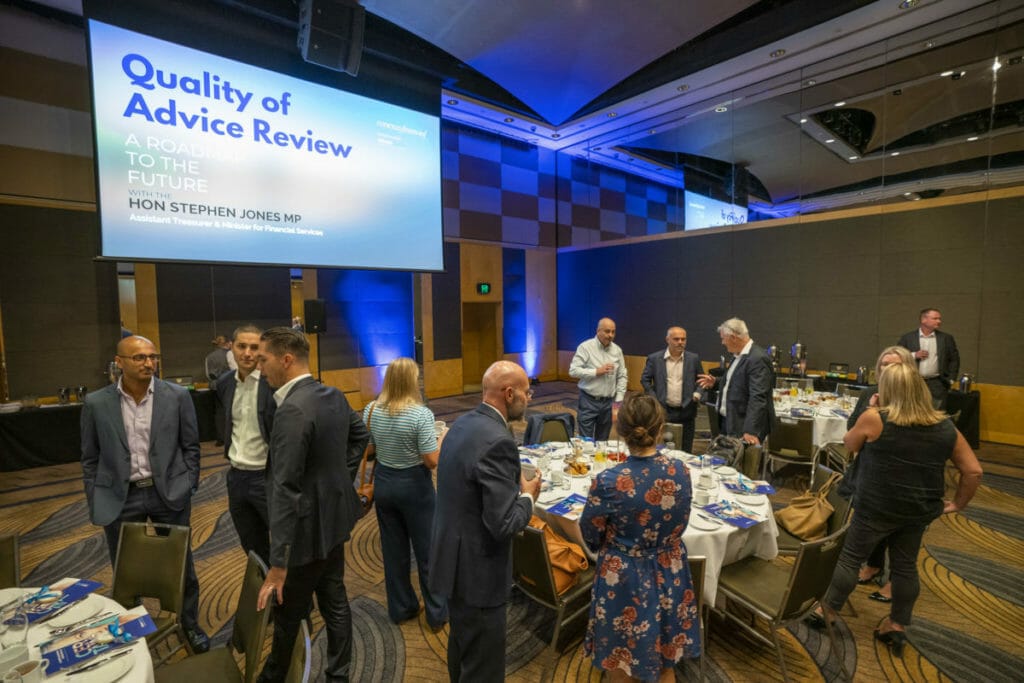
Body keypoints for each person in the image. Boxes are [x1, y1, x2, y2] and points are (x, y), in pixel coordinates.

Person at [809, 363, 982, 656]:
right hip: (917, 510)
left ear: (887, 390)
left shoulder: (875, 418)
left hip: (876, 505)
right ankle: (897, 624)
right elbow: (973, 471)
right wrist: (958, 504)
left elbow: (850, 444)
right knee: (905, 566)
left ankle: (828, 610)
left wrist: (871, 409)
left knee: (850, 558)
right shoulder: (945, 427)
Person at [80, 335, 209, 653]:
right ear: (119, 362)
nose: (149, 363)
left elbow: (191, 445)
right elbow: (90, 457)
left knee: (180, 563)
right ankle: (132, 629)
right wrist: (95, 494)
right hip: (120, 496)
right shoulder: (96, 403)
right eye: (139, 357)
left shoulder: (176, 396)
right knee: (127, 570)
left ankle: (189, 624)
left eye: (153, 357)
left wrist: (189, 483)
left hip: (169, 492)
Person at [255, 328, 369, 683]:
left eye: (263, 359)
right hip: (333, 521)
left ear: (286, 360)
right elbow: (360, 435)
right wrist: (338, 480)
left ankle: (273, 677)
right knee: (334, 599)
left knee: (288, 614)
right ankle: (339, 674)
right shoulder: (332, 394)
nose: (259, 367)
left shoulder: (292, 409)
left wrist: (278, 564)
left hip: (303, 533)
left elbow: (285, 487)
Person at [428, 361, 541, 682]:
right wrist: (528, 496)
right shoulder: (499, 441)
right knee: (483, 667)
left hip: (452, 562)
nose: (529, 399)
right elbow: (504, 524)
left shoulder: (461, 424)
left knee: (462, 648)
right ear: (509, 393)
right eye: (526, 392)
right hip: (479, 574)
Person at [579, 394, 700, 682]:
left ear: (620, 431)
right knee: (666, 660)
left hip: (624, 578)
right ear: (660, 429)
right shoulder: (681, 471)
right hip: (670, 570)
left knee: (620, 661)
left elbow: (590, 535)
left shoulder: (608, 481)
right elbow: (682, 520)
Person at [363, 357, 447, 631]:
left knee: (393, 552)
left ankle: (401, 607)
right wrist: (442, 438)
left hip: (385, 485)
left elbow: (370, 450)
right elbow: (431, 461)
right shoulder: (421, 415)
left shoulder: (371, 410)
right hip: (415, 488)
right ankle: (436, 613)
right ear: (412, 381)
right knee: (428, 552)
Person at [842, 346, 915, 603]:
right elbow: (852, 428)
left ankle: (895, 581)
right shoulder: (870, 393)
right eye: (884, 364)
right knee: (870, 524)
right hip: (870, 473)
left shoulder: (916, 397)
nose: (887, 370)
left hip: (903, 477)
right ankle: (873, 566)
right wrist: (870, 412)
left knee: (901, 534)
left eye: (894, 365)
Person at [214, 325, 275, 564]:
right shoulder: (225, 383)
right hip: (236, 478)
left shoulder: (273, 383)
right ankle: (264, 585)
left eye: (254, 347)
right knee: (252, 545)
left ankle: (290, 588)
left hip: (267, 477)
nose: (247, 353)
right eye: (241, 346)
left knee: (286, 542)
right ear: (231, 347)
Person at [697, 317, 775, 445]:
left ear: (733, 337)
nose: (722, 342)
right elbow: (737, 381)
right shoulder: (738, 355)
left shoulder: (757, 358)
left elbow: (758, 397)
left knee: (741, 458)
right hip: (729, 421)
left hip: (743, 426)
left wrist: (751, 430)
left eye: (723, 338)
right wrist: (716, 382)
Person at [640, 326, 703, 452]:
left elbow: (701, 380)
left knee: (686, 450)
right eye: (676, 339)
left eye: (683, 339)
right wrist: (654, 398)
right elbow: (645, 380)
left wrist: (698, 393)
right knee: (662, 448)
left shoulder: (693, 359)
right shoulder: (654, 358)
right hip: (663, 410)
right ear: (667, 340)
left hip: (687, 410)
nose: (680, 342)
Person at [570, 318, 627, 440]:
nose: (610, 335)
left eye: (613, 332)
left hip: (608, 403)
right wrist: (596, 372)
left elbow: (622, 376)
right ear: (598, 331)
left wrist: (618, 401)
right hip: (588, 400)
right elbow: (573, 371)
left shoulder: (617, 350)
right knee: (586, 441)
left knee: (603, 441)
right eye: (607, 331)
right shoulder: (585, 347)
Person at [897, 308, 960, 409]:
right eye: (935, 318)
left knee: (937, 413)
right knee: (912, 411)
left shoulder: (946, 338)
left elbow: (954, 359)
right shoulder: (907, 338)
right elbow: (896, 356)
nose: (939, 321)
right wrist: (914, 355)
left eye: (939, 319)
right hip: (913, 382)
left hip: (937, 384)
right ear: (923, 320)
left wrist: (951, 379)